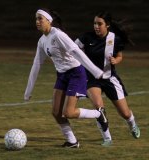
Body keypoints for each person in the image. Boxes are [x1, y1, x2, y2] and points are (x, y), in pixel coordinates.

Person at [24, 8, 111, 148]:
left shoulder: (58, 35)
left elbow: (77, 52)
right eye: (36, 19)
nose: (37, 21)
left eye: (40, 18)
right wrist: (28, 90)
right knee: (56, 112)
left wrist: (95, 71)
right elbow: (36, 64)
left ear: (49, 20)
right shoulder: (42, 41)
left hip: (76, 73)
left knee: (69, 112)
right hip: (62, 75)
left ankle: (98, 114)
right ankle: (72, 141)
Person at [75, 11, 140, 145]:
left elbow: (120, 56)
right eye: (95, 23)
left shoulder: (114, 39)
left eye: (100, 24)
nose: (96, 26)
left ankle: (132, 124)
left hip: (109, 78)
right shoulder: (86, 37)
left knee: (125, 113)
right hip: (92, 79)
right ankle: (107, 138)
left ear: (107, 25)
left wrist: (116, 60)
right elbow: (72, 48)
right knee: (99, 108)